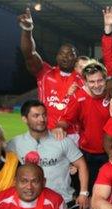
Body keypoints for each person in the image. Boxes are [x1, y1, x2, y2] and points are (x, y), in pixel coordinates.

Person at [7, 100, 89, 209]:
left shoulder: (62, 140)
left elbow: (81, 165)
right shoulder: (16, 143)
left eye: (44, 115)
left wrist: (83, 193)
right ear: (24, 119)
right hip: (31, 199)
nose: (42, 119)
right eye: (36, 116)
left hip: (62, 199)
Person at [18, 7, 82, 137]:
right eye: (62, 54)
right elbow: (29, 53)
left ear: (76, 58)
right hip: (45, 133)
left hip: (73, 136)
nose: (65, 57)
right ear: (57, 56)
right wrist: (27, 30)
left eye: (70, 54)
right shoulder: (45, 73)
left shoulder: (84, 79)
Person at [54, 62, 112, 191]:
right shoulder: (78, 97)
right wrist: (60, 127)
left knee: (110, 192)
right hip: (88, 154)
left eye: (99, 80)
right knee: (89, 190)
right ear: (85, 82)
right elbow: (65, 119)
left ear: (105, 79)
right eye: (92, 82)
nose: (96, 85)